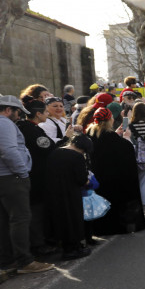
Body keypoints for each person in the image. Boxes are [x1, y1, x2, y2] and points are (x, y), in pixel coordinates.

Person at [0, 96, 54, 275]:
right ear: (8, 110)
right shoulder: (5, 123)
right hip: (12, 177)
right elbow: (8, 151)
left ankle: (8, 260)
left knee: (6, 220)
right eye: (18, 112)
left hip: (5, 177)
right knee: (20, 219)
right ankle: (24, 261)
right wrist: (22, 172)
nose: (19, 116)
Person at [85, 109, 145, 235]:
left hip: (98, 180)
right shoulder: (118, 142)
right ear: (110, 120)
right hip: (117, 181)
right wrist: (127, 138)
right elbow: (127, 157)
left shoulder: (89, 137)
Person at [17, 97, 58, 257]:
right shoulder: (32, 130)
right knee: (36, 211)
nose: (48, 115)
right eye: (46, 112)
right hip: (36, 175)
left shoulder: (23, 126)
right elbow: (48, 147)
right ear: (38, 114)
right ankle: (38, 244)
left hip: (32, 173)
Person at [45, 134, 93, 260]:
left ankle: (65, 246)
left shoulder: (55, 152)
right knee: (73, 219)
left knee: (60, 219)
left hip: (54, 192)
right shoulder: (77, 157)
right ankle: (73, 249)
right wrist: (89, 182)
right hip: (71, 193)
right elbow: (82, 179)